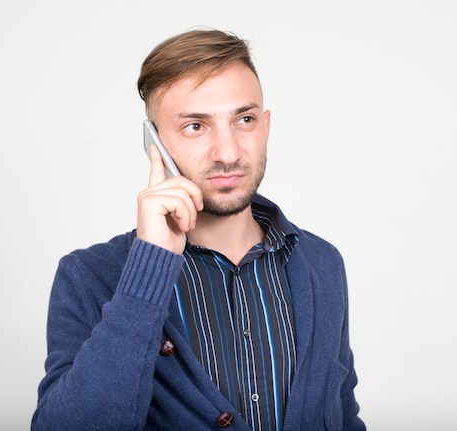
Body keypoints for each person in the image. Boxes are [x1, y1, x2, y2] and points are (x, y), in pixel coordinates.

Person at [32, 28, 365, 431]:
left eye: (244, 119)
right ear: (154, 143)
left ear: (266, 125)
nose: (227, 153)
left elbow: (344, 416)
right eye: (195, 126)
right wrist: (149, 266)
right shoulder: (89, 276)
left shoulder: (321, 264)